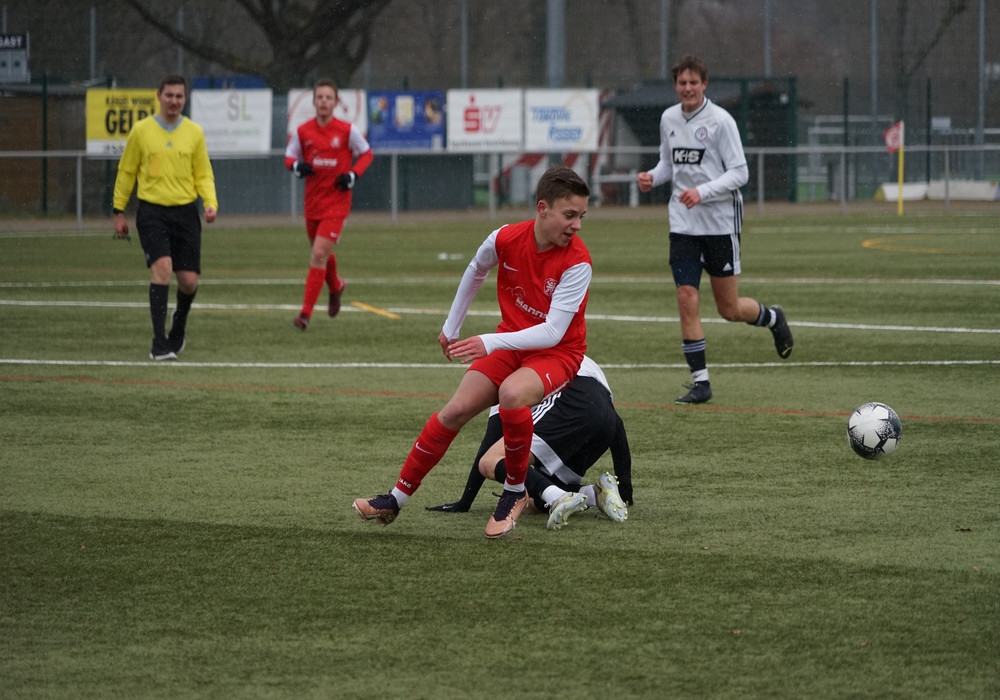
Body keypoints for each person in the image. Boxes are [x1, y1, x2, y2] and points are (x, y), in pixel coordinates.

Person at [353, 165, 593, 539]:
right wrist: (452, 326)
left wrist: (488, 341)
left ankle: (514, 492)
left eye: (581, 216)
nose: (577, 225)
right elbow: (476, 268)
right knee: (455, 410)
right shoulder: (505, 238)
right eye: (570, 215)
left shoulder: (578, 261)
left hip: (557, 353)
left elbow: (553, 332)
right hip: (513, 343)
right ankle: (395, 499)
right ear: (542, 208)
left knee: (512, 394)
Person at [637, 54, 793, 405]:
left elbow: (740, 173)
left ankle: (772, 318)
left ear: (704, 85)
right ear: (675, 86)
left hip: (720, 223)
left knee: (729, 308)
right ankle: (701, 382)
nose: (688, 88)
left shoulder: (721, 121)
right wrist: (652, 177)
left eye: (694, 82)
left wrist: (702, 192)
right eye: (682, 83)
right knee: (686, 298)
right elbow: (668, 163)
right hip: (683, 223)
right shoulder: (669, 118)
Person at [426, 355, 633, 531]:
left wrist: (465, 502)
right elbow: (616, 422)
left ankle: (558, 497)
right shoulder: (570, 351)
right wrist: (625, 488)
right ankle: (596, 494)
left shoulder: (508, 366)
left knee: (491, 460)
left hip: (571, 401)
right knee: (536, 499)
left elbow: (491, 442)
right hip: (605, 422)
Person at [112, 74, 218, 361]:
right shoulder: (141, 131)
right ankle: (159, 344)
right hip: (152, 212)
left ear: (185, 99)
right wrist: (118, 210)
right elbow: (127, 171)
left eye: (179, 96)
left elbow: (203, 172)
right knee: (162, 267)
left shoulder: (194, 132)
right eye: (169, 95)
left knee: (189, 282)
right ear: (159, 96)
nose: (174, 101)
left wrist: (210, 202)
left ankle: (178, 328)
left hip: (185, 213)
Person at [284, 78, 374, 330]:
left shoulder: (347, 130)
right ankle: (335, 286)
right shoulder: (304, 131)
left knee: (318, 253)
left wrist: (353, 175)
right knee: (320, 252)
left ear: (336, 102)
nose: (323, 101)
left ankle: (304, 314)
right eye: (319, 97)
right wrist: (296, 167)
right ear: (313, 101)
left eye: (328, 97)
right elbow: (289, 156)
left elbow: (367, 153)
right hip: (312, 202)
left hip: (337, 203)